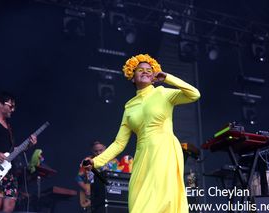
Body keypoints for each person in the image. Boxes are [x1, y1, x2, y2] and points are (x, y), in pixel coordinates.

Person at [83, 54, 200, 213]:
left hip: (164, 151)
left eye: (149, 70)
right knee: (137, 205)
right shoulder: (129, 106)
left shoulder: (162, 93)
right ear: (132, 76)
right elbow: (119, 143)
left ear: (154, 75)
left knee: (159, 203)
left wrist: (167, 78)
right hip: (142, 157)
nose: (145, 72)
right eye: (140, 70)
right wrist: (96, 162)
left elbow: (194, 94)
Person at [76, 141, 119, 210]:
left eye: (101, 150)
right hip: (92, 194)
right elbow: (78, 178)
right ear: (92, 150)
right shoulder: (87, 161)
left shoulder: (114, 161)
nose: (98, 153)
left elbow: (117, 177)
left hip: (107, 192)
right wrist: (86, 189)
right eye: (95, 151)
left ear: (105, 148)